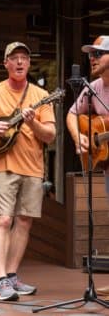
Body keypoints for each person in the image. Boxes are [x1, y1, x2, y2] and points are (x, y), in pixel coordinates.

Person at [0, 41, 56, 301]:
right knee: (4, 220)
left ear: (29, 64)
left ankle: (13, 276)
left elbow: (50, 135)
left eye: (24, 59)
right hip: (4, 165)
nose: (19, 62)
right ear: (5, 63)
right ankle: (0, 280)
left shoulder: (41, 95)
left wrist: (33, 125)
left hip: (34, 168)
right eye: (14, 58)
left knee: (25, 222)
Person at [66, 35, 109, 297]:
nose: (91, 59)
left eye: (98, 54)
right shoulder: (92, 87)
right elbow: (72, 114)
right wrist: (79, 137)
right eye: (90, 55)